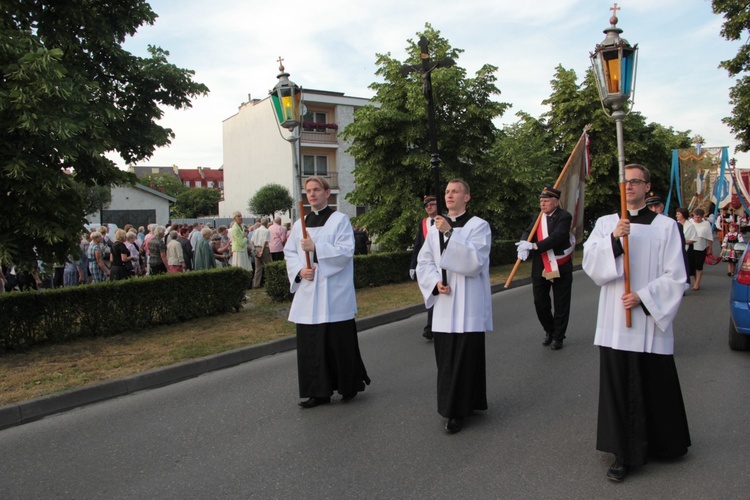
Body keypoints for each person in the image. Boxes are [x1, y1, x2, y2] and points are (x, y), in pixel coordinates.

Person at [582, 164, 690, 482]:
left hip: (648, 319)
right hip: (616, 322)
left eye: (636, 181)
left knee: (652, 384)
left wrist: (642, 296)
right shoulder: (606, 223)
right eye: (625, 182)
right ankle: (623, 454)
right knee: (620, 387)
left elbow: (677, 277)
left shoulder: (667, 227)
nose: (629, 186)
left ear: (647, 187)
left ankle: (661, 444)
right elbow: (590, 264)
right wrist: (614, 241)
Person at [284, 176, 370, 409]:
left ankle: (348, 385)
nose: (311, 194)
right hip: (309, 292)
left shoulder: (339, 220)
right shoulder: (299, 223)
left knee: (338, 342)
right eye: (308, 191)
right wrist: (301, 270)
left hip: (334, 293)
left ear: (327, 192)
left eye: (316, 190)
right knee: (312, 344)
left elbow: (345, 251)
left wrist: (316, 249)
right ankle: (317, 392)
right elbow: (289, 253)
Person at [416, 179, 492, 434]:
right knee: (447, 359)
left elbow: (475, 262)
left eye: (455, 191)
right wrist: (434, 282)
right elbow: (424, 261)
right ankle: (450, 406)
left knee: (465, 358)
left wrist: (449, 232)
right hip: (445, 303)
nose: (449, 195)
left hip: (468, 302)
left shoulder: (479, 226)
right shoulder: (435, 227)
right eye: (447, 191)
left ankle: (462, 410)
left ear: (466, 198)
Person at [516, 186, 574, 350]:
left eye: (546, 200)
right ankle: (549, 330)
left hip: (559, 265)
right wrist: (523, 245)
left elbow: (558, 237)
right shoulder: (538, 217)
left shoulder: (564, 216)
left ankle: (558, 337)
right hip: (540, 267)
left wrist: (534, 246)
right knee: (540, 302)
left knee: (561, 303)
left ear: (555, 202)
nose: (542, 203)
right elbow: (527, 232)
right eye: (541, 200)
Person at [410, 195, 439, 340]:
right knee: (430, 294)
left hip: (440, 265)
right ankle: (431, 327)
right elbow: (418, 244)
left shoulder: (444, 220)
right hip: (427, 265)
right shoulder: (423, 223)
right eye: (426, 206)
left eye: (432, 204)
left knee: (436, 294)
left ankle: (431, 328)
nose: (429, 207)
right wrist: (413, 265)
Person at [683, 208, 713, 291]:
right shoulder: (689, 223)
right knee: (692, 265)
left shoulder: (706, 224)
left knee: (699, 265)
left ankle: (697, 284)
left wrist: (710, 248)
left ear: (702, 217)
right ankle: (695, 281)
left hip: (701, 247)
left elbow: (709, 236)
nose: (697, 219)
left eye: (699, 217)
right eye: (696, 217)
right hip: (690, 247)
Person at [251, 217, 272, 288]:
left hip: (256, 248)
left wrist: (254, 250)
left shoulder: (256, 230)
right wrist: (262, 251)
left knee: (258, 268)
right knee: (269, 265)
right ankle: (270, 282)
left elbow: (252, 241)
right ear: (267, 223)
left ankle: (256, 284)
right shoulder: (267, 231)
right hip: (263, 249)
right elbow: (265, 242)